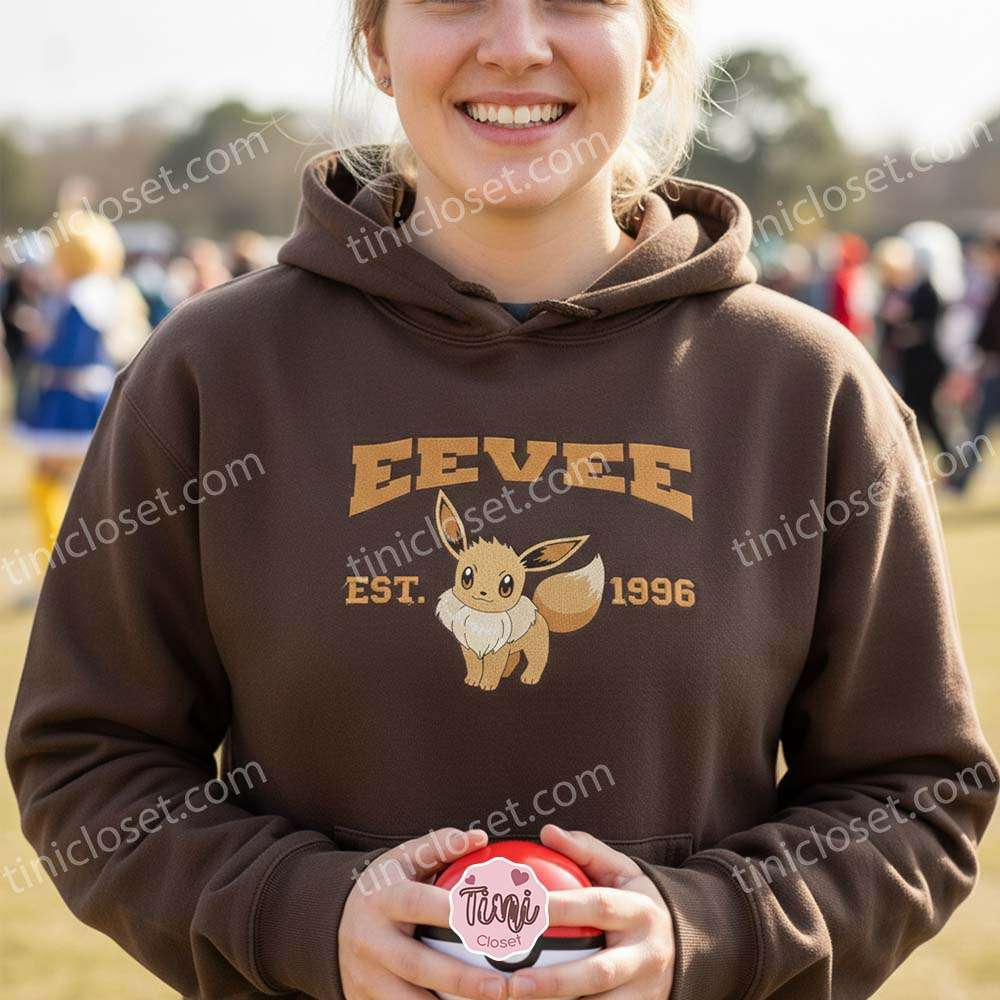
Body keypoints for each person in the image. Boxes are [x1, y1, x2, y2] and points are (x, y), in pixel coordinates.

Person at [6, 3, 996, 1000]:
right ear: (376, 44)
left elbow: (915, 792)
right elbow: (92, 759)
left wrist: (707, 931)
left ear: (653, 47)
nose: (517, 45)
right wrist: (301, 913)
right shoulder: (212, 371)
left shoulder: (807, 386)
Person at [11, 211, 126, 558]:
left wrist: (38, 341)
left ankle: (59, 560)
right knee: (88, 486)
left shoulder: (80, 298)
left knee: (48, 482)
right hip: (90, 394)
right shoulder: (102, 291)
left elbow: (67, 354)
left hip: (71, 400)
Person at [874, 235, 954, 458]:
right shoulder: (899, 291)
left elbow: (927, 328)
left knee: (921, 414)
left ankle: (943, 458)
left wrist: (905, 332)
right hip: (909, 364)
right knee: (920, 415)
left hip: (925, 364)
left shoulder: (927, 291)